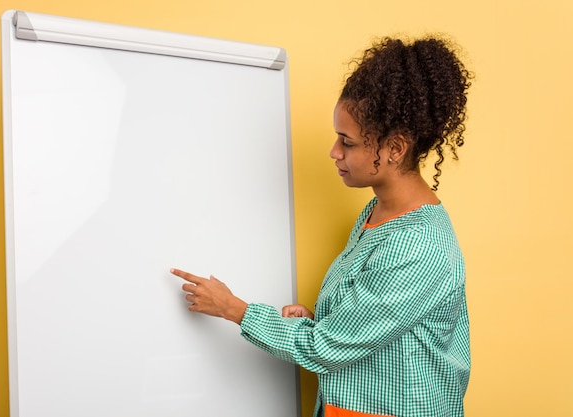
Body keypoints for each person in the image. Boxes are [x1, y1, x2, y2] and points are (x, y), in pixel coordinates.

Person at [171, 35, 472, 417]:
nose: (334, 152)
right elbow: (377, 325)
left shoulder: (417, 245)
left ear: (394, 149)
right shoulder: (375, 214)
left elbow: (328, 349)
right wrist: (322, 322)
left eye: (347, 142)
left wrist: (235, 309)